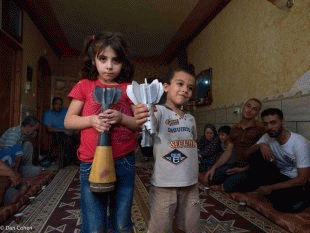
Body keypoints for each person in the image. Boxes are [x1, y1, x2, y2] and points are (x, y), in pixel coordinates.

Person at [64, 32, 140, 233]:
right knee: (94, 225)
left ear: (123, 63)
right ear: (93, 60)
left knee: (122, 223)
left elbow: (137, 124)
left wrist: (122, 118)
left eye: (116, 60)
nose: (109, 66)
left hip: (124, 161)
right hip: (91, 162)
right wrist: (91, 120)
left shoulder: (129, 89)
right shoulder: (84, 86)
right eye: (103, 59)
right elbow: (69, 120)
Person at [133, 65, 201, 233]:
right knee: (160, 228)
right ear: (166, 86)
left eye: (190, 88)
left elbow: (192, 143)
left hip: (190, 183)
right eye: (180, 84)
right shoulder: (159, 111)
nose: (185, 90)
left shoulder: (191, 119)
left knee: (190, 226)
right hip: (165, 184)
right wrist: (143, 110)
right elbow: (149, 118)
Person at [247, 108, 310, 212]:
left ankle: (304, 198)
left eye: (273, 123)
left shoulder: (299, 142)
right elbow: (248, 153)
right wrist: (261, 145)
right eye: (265, 124)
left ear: (282, 122)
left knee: (282, 205)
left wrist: (270, 188)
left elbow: (303, 179)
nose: (269, 127)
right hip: (282, 176)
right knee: (255, 155)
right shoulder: (267, 136)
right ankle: (272, 192)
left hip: (300, 182)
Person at [203, 98, 265, 192]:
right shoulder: (234, 128)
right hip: (236, 165)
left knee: (227, 185)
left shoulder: (261, 128)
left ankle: (229, 185)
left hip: (251, 169)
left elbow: (262, 157)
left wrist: (243, 169)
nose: (249, 110)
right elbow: (228, 151)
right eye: (248, 106)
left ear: (257, 113)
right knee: (211, 179)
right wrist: (213, 168)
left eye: (254, 109)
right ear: (243, 107)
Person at [0, 116, 42, 204]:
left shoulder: (23, 135)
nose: (34, 132)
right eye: (33, 129)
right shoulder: (14, 133)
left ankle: (21, 176)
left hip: (15, 167)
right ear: (27, 126)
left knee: (37, 169)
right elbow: (7, 156)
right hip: (6, 165)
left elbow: (18, 156)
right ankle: (16, 183)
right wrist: (13, 173)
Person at [43, 97, 79, 167]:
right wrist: (64, 131)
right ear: (53, 104)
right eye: (56, 104)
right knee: (65, 139)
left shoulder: (65, 111)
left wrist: (71, 129)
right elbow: (50, 129)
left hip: (68, 131)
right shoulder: (48, 114)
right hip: (56, 133)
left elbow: (71, 121)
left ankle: (74, 160)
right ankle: (64, 162)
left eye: (60, 104)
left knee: (77, 137)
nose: (58, 106)